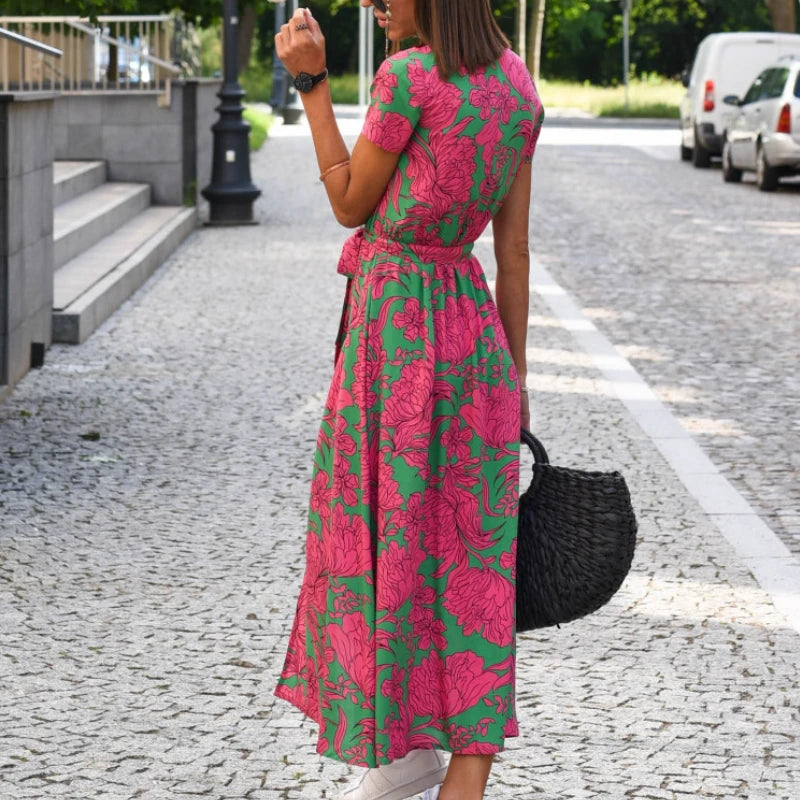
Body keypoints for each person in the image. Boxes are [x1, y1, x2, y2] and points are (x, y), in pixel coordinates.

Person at [273, 2, 544, 798]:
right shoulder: (519, 89)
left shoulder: (408, 78)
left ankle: (407, 749)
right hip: (475, 341)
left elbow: (351, 202)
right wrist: (516, 390)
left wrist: (314, 86)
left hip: (395, 340)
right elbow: (515, 252)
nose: (369, 3)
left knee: (388, 539)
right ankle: (436, 761)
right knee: (472, 569)